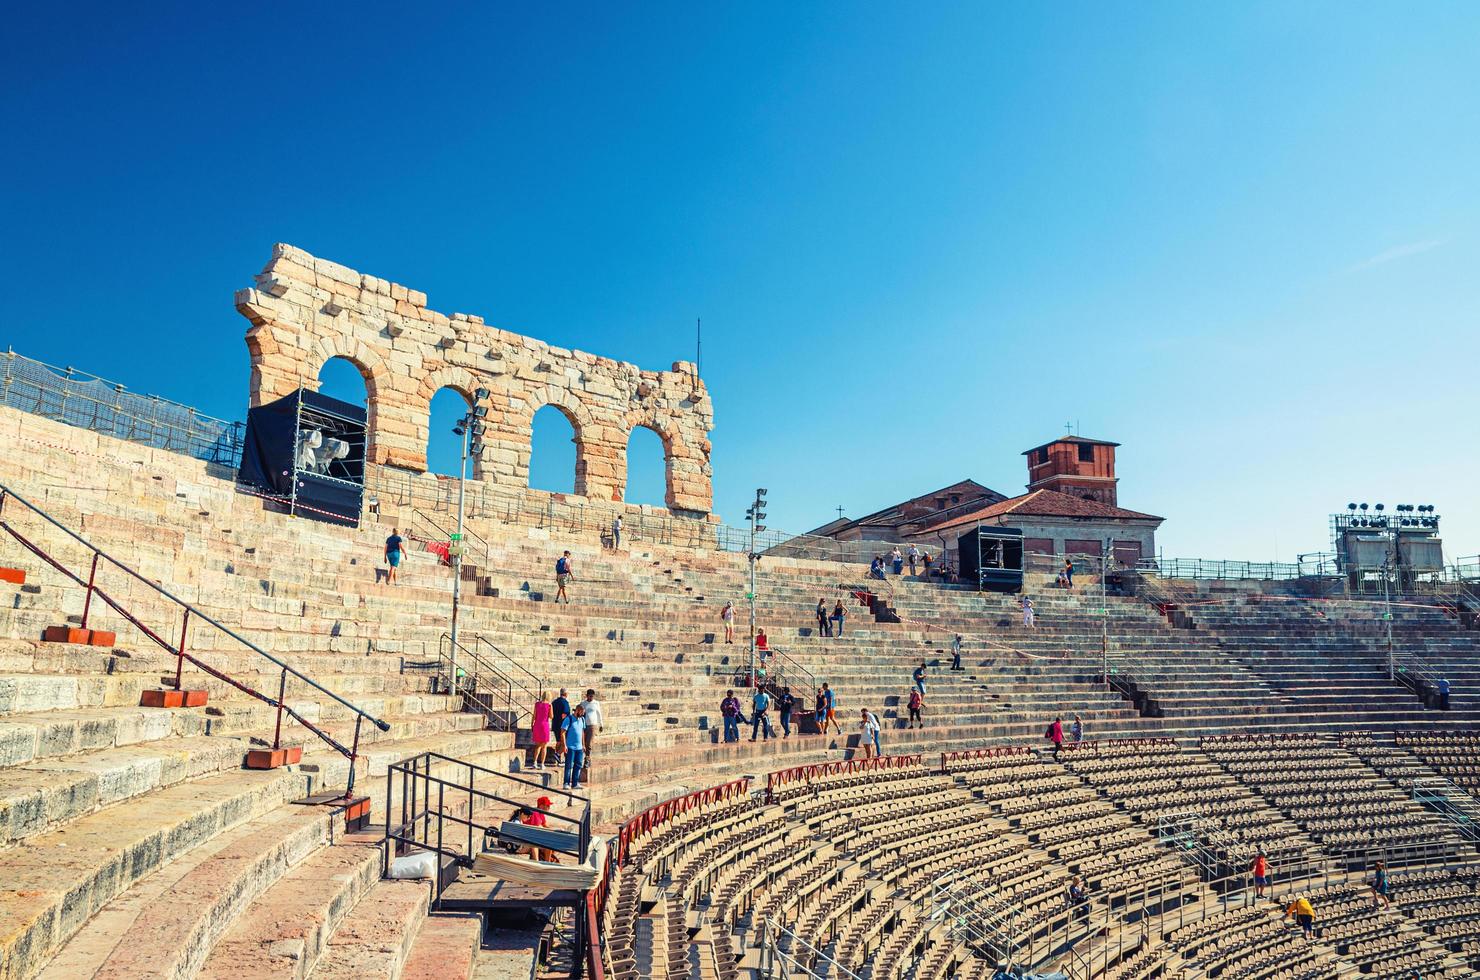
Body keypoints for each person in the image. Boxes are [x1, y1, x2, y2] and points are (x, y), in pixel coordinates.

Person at [561, 705, 587, 790]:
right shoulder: (569, 719)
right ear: (577, 710)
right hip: (570, 747)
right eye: (582, 712)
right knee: (569, 765)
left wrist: (583, 744)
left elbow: (582, 732)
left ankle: (575, 783)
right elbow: (562, 732)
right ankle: (566, 782)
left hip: (579, 747)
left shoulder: (582, 719)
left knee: (578, 765)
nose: (582, 714)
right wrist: (564, 745)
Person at [579, 689, 603, 777]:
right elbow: (579, 713)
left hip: (593, 725)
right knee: (584, 743)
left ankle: (587, 759)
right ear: (587, 695)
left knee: (589, 743)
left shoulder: (596, 703)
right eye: (589, 696)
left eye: (592, 696)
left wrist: (601, 724)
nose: (591, 698)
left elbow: (599, 713)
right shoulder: (583, 703)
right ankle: (584, 759)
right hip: (584, 725)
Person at [530, 691, 553, 771]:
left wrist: (531, 724)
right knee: (544, 746)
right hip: (545, 725)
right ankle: (542, 764)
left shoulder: (537, 704)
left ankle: (534, 762)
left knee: (537, 745)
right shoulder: (549, 705)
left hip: (537, 724)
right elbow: (551, 716)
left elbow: (534, 715)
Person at [550, 689, 572, 763]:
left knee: (558, 741)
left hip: (555, 724)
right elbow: (564, 714)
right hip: (562, 725)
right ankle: (558, 754)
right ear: (565, 694)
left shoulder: (554, 702)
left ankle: (557, 759)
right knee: (565, 742)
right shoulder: (565, 703)